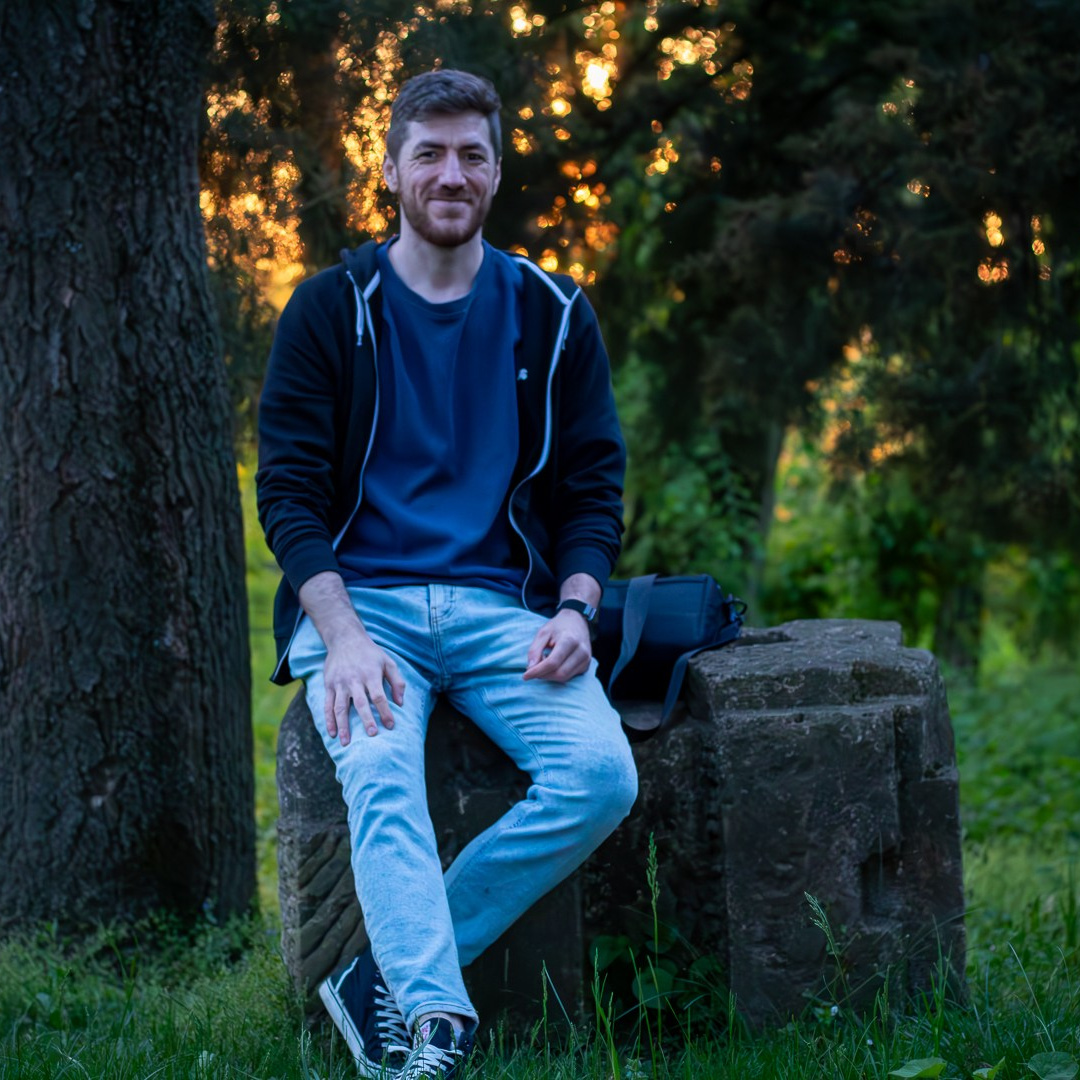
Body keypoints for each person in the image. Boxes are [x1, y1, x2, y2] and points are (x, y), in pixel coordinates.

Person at [256, 68, 637, 1080]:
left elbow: (594, 483)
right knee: (379, 769)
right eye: (428, 152)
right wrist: (338, 636)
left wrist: (577, 601)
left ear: (497, 171)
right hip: (365, 607)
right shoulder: (330, 312)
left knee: (601, 776)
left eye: (472, 152)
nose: (451, 172)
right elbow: (287, 494)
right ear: (391, 170)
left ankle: (379, 975)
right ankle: (433, 1027)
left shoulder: (555, 315)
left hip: (501, 608)